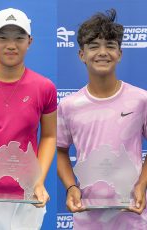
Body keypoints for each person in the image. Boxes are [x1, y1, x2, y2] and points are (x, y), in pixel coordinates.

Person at [0, 8, 57, 230]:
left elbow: (49, 136)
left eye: (19, 38)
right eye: (3, 37)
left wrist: (38, 180)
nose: (11, 45)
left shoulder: (45, 87)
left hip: (27, 193)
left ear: (30, 41)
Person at [57, 9, 147, 229]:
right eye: (94, 46)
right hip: (87, 219)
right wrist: (71, 188)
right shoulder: (68, 105)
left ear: (120, 53)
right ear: (81, 55)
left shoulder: (141, 100)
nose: (102, 52)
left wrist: (142, 185)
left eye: (110, 45)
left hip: (132, 217)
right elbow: (60, 151)